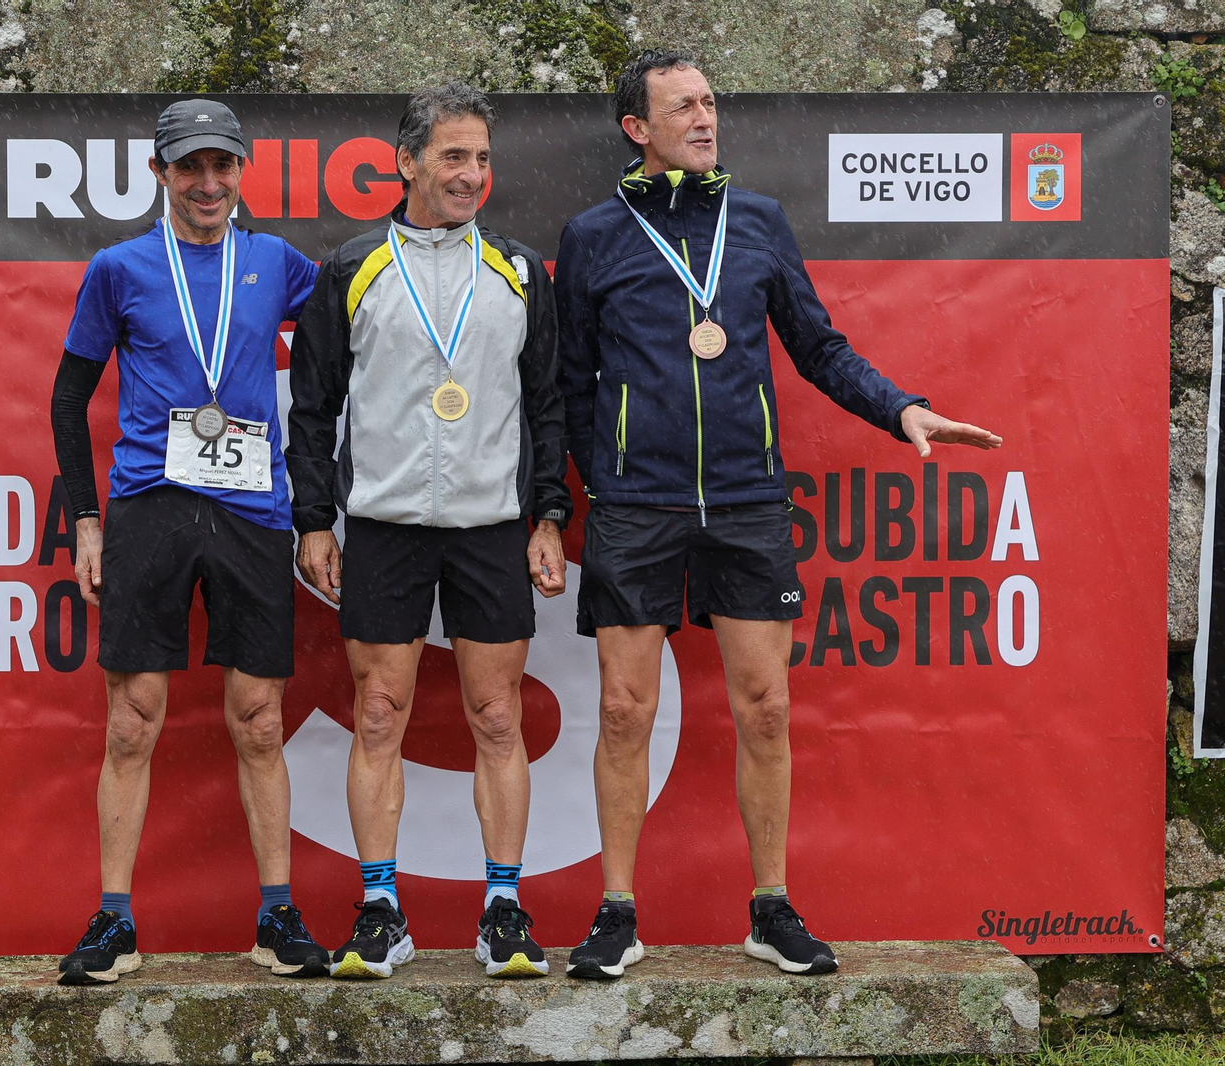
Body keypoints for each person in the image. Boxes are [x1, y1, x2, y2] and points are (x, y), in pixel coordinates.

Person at [554, 51, 1002, 979]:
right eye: (683, 107)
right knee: (625, 711)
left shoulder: (756, 221)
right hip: (636, 506)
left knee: (765, 709)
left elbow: (819, 348)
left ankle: (769, 909)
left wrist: (901, 410)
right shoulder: (593, 235)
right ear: (637, 129)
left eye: (709, 102)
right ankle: (617, 913)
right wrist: (594, 486)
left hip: (748, 500)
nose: (705, 118)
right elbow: (569, 383)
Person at [287, 83, 571, 980]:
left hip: (490, 528)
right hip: (386, 525)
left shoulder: (518, 270)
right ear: (406, 162)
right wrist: (314, 519)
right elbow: (312, 405)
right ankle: (381, 911)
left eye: (482, 158)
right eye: (454, 156)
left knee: (497, 715)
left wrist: (550, 515)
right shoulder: (354, 266)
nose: (472, 174)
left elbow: (548, 404)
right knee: (378, 715)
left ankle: (503, 911)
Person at [50, 98, 329, 985]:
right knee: (132, 720)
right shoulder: (120, 268)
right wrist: (86, 521)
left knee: (259, 721)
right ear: (161, 174)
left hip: (253, 510)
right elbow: (69, 398)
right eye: (189, 167)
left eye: (222, 166)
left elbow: (357, 331)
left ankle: (278, 917)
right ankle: (114, 920)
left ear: (242, 171)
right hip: (150, 506)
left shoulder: (275, 262)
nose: (208, 184)